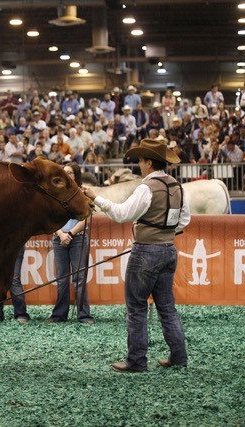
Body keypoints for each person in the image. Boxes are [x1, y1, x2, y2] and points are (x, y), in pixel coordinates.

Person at [82, 138, 191, 373]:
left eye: (141, 161)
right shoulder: (176, 186)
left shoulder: (146, 188)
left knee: (136, 307)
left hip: (145, 252)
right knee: (167, 306)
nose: (140, 165)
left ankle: (137, 360)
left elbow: (122, 214)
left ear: (150, 163)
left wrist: (95, 197)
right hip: (169, 250)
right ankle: (179, 357)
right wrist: (164, 232)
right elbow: (184, 220)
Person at [46, 162, 94, 325]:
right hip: (59, 237)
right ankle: (59, 314)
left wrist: (70, 234)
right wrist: (60, 234)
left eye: (70, 172)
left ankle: (84, 315)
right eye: (64, 172)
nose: (66, 175)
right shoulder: (56, 194)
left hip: (78, 237)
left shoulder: (82, 193)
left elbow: (86, 218)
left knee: (79, 278)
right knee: (62, 278)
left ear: (76, 175)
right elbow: (51, 218)